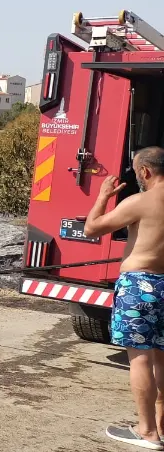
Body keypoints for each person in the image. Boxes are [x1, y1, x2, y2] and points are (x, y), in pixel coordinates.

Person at [84, 146, 164, 450]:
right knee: (162, 358)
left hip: (140, 285)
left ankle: (146, 433)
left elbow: (93, 228)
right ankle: (160, 426)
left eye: (136, 171)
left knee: (140, 358)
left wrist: (103, 195)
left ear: (145, 171)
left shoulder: (140, 201)